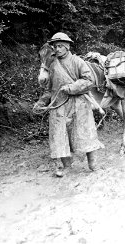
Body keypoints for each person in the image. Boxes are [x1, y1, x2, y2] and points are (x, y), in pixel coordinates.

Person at [34, 32, 104, 177]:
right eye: (55, 46)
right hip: (59, 105)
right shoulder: (52, 65)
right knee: (58, 135)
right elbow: (49, 90)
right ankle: (66, 165)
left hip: (79, 104)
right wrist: (41, 101)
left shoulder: (77, 62)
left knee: (84, 132)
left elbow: (89, 80)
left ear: (67, 47)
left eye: (60, 46)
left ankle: (92, 162)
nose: (57, 49)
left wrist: (72, 88)